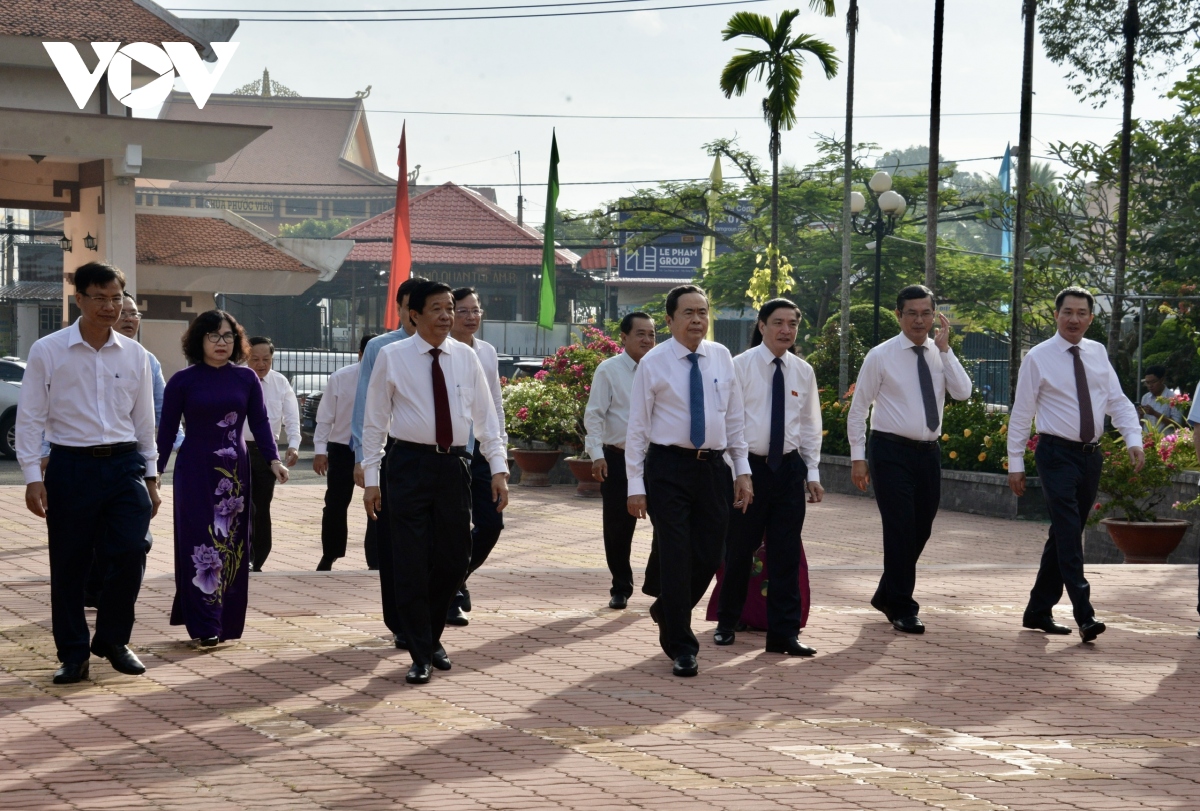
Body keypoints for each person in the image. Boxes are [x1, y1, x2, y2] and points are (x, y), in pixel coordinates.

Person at [17, 261, 159, 684]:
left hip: (124, 465)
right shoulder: (48, 350)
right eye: (99, 298)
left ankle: (113, 640)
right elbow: (30, 417)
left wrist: (151, 477)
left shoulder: (136, 355)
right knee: (70, 565)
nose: (110, 306)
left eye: (116, 298)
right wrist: (31, 477)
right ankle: (74, 653)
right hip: (71, 466)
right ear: (78, 300)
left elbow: (144, 421)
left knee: (132, 549)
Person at [361, 281, 509, 685]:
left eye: (450, 308)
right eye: (438, 309)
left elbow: (486, 418)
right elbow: (374, 422)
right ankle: (421, 650)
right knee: (410, 559)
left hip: (453, 466)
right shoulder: (392, 357)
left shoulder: (466, 357)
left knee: (454, 556)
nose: (447, 316)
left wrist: (498, 468)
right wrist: (371, 479)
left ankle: (429, 635)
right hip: (407, 464)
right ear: (415, 315)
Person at [625, 284, 753, 678]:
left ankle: (667, 608)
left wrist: (742, 469)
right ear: (669, 320)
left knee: (712, 553)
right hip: (668, 468)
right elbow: (637, 428)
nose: (697, 320)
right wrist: (635, 485)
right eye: (688, 313)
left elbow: (734, 418)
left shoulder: (721, 357)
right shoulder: (654, 362)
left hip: (713, 468)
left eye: (703, 312)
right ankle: (682, 646)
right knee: (677, 555)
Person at [1008, 286, 1144, 643]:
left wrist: (1133, 440)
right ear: (1056, 315)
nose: (1074, 319)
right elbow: (1022, 413)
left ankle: (1038, 610)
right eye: (1068, 312)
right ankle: (1085, 614)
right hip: (1055, 455)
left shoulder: (1097, 353)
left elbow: (1118, 401)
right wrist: (1015, 462)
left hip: (1090, 456)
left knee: (1063, 534)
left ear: (1091, 318)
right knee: (1070, 533)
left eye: (1082, 313)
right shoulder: (1038, 357)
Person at [157, 311, 289, 645]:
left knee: (231, 545)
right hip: (195, 472)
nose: (222, 343)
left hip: (234, 475)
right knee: (198, 543)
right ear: (198, 339)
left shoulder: (246, 379)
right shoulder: (182, 381)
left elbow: (260, 422)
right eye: (214, 336)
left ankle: (222, 620)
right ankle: (204, 624)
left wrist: (274, 460)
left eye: (228, 336)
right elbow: (166, 432)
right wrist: (153, 473)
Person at [848, 285, 973, 634]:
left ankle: (887, 592)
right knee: (900, 527)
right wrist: (858, 458)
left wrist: (946, 351)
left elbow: (963, 392)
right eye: (912, 313)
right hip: (889, 451)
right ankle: (902, 606)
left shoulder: (939, 353)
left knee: (922, 527)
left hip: (927, 453)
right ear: (898, 315)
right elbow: (858, 411)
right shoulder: (881, 355)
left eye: (926, 313)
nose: (919, 320)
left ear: (936, 316)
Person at [712, 299, 823, 656]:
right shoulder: (739, 366)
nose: (786, 330)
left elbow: (809, 424)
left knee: (786, 554)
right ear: (761, 326)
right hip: (749, 470)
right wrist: (737, 470)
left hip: (788, 470)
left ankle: (783, 634)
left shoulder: (803, 371)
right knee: (740, 551)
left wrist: (813, 472)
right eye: (778, 322)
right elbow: (730, 422)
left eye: (792, 323)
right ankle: (728, 623)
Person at [78, 292, 172, 608]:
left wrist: (159, 463)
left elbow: (160, 410)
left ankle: (113, 606)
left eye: (134, 314)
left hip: (130, 460)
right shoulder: (75, 354)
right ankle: (93, 588)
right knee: (92, 533)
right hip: (82, 460)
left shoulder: (145, 359)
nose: (130, 318)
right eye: (125, 312)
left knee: (136, 538)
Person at [350, 275, 428, 648]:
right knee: (397, 543)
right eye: (411, 306)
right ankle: (400, 621)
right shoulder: (382, 349)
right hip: (395, 456)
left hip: (445, 462)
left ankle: (437, 609)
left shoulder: (454, 349)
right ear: (401, 309)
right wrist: (364, 460)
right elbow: (366, 406)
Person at [583, 311, 656, 609]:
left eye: (652, 334)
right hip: (618, 458)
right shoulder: (609, 370)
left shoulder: (661, 369)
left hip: (658, 460)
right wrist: (597, 455)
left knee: (668, 525)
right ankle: (620, 586)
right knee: (617, 528)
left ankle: (658, 583)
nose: (647, 339)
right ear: (623, 337)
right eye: (640, 333)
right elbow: (595, 415)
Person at [445, 287, 507, 626]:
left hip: (482, 451)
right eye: (464, 311)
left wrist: (501, 452)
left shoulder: (486, 352)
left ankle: (457, 577)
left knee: (492, 523)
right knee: (454, 528)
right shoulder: (442, 352)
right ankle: (451, 595)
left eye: (476, 310)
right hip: (452, 452)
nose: (471, 317)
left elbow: (495, 404)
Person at [312, 333, 377, 571]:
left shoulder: (391, 377)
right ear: (360, 355)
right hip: (342, 448)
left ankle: (376, 559)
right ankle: (330, 555)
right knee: (336, 504)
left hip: (375, 449)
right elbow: (325, 416)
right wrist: (320, 450)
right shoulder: (341, 377)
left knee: (379, 503)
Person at [245, 337, 300, 572]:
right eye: (255, 359)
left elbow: (291, 415)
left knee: (261, 506)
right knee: (241, 505)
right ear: (245, 357)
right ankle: (242, 554)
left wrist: (294, 443)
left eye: (266, 360)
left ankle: (258, 557)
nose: (260, 364)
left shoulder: (280, 383)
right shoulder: (237, 379)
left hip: (266, 453)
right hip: (237, 449)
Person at [1137, 365, 1183, 432]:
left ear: (1162, 380)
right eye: (1147, 383)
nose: (1150, 386)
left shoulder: (1173, 398)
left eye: (1153, 382)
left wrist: (1154, 413)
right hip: (1147, 440)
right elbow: (1140, 425)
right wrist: (1141, 415)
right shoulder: (1145, 398)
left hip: (1165, 441)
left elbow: (1177, 425)